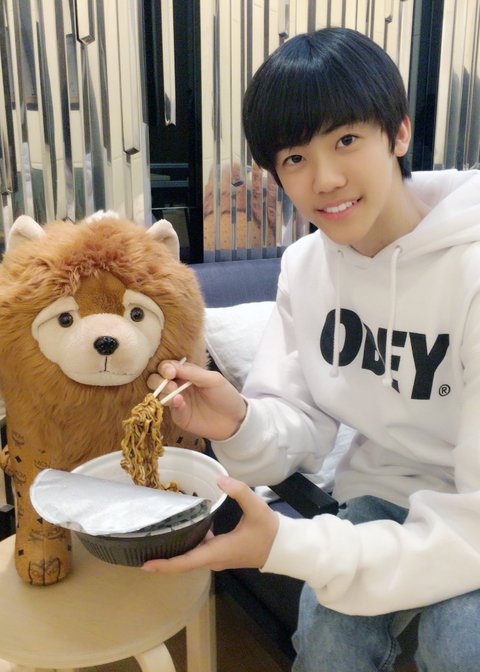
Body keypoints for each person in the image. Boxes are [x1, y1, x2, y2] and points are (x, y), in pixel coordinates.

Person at [144, 27, 480, 671]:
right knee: (328, 634)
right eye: (295, 158)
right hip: (381, 491)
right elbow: (300, 422)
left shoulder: (470, 270)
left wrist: (289, 546)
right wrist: (238, 422)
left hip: (471, 507)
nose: (325, 179)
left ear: (399, 134)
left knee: (461, 640)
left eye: (346, 140)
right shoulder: (305, 266)